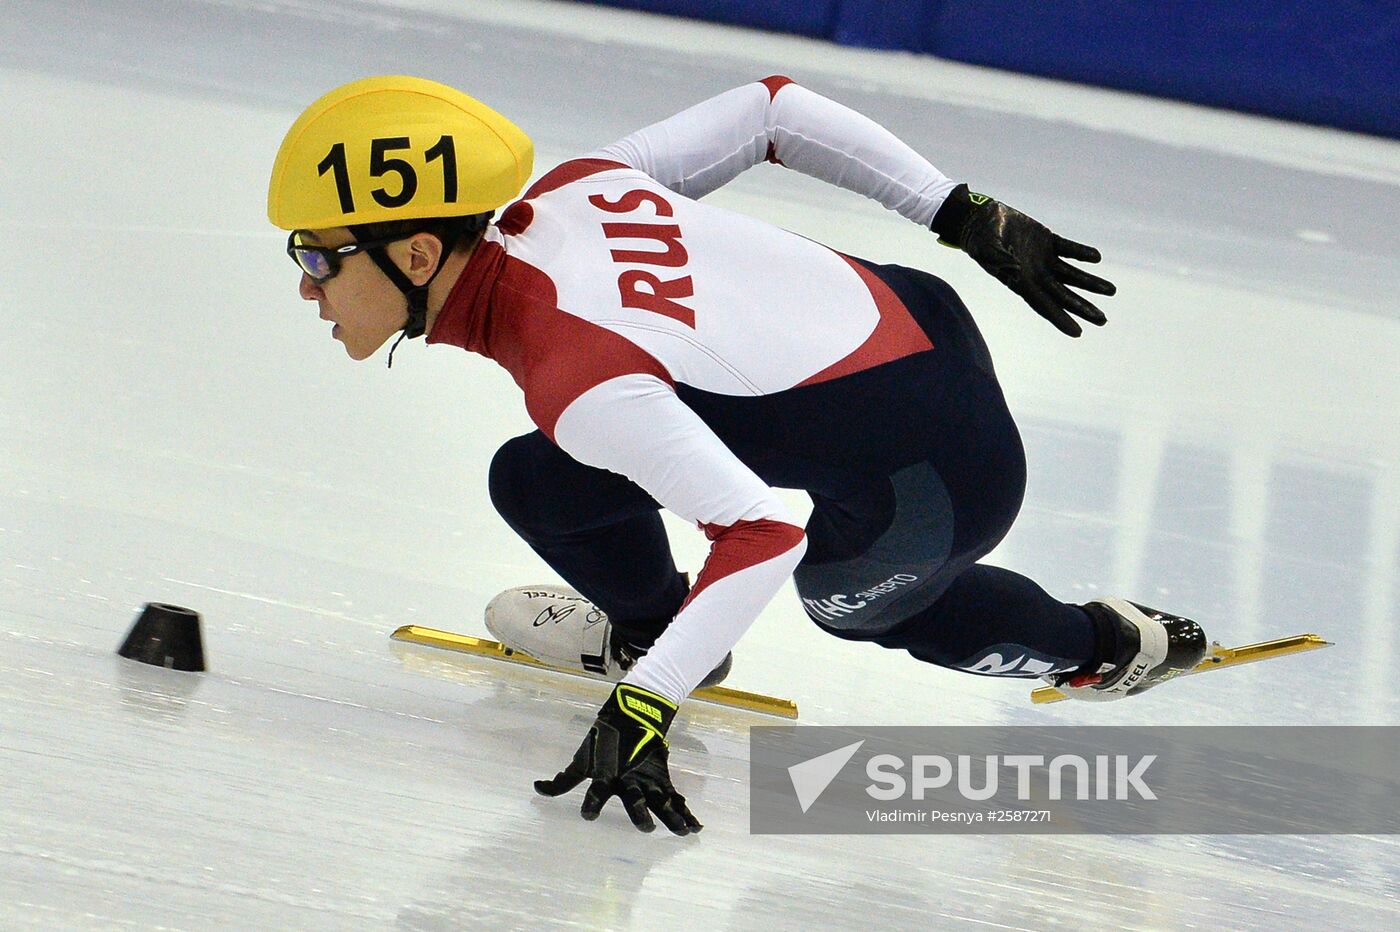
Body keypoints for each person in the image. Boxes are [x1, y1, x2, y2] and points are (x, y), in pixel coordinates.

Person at [267, 74, 1208, 836]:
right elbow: (770, 110)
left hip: (935, 483)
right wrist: (957, 213)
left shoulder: (578, 376)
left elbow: (761, 532)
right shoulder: (575, 188)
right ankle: (650, 629)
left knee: (848, 606)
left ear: (420, 256)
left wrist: (647, 709)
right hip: (917, 319)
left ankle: (1101, 647)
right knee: (535, 478)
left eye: (317, 259)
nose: (309, 287)